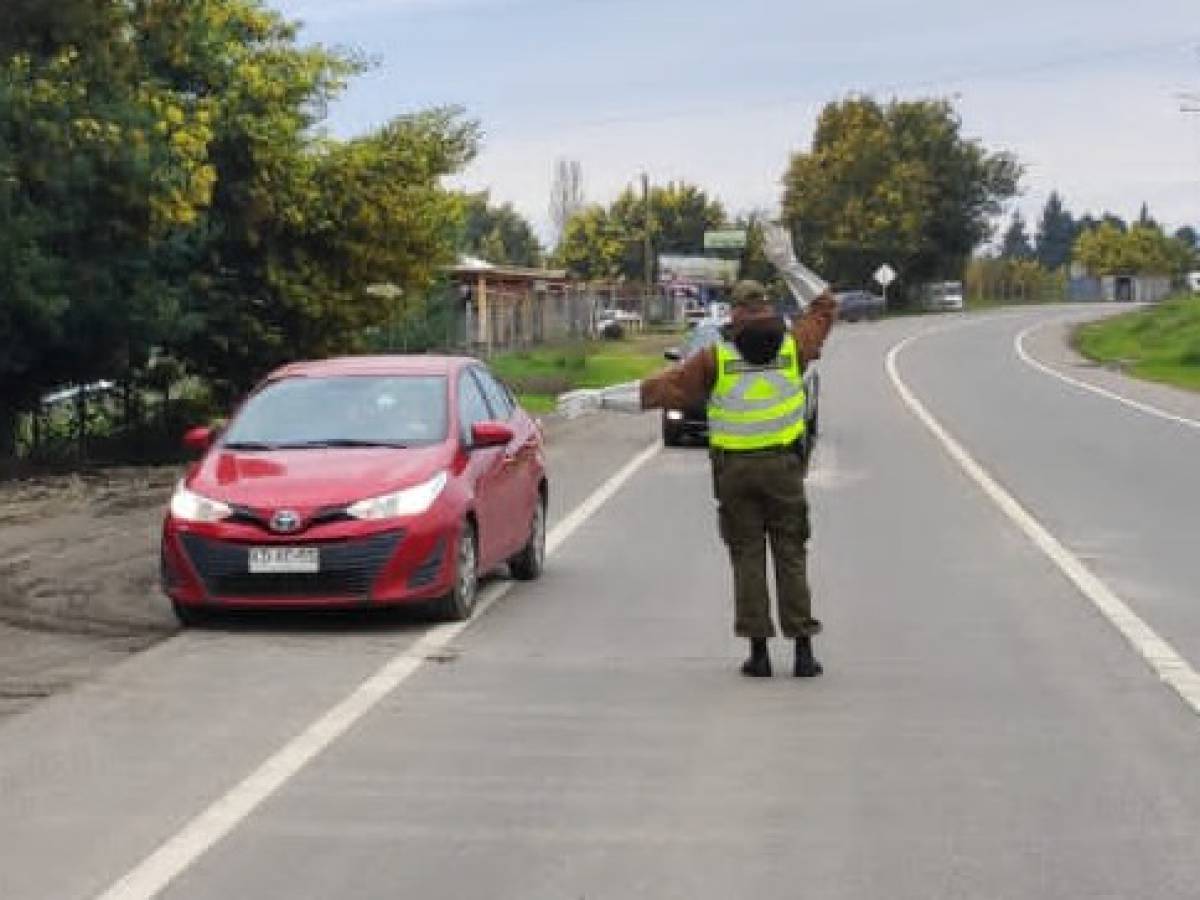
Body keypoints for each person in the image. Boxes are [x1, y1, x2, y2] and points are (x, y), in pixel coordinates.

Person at [638, 280, 837, 677]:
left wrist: (601, 397)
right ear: (767, 308)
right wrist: (789, 265)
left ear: (734, 314)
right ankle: (803, 652)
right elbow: (823, 307)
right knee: (791, 556)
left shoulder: (716, 359)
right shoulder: (793, 349)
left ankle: (759, 654)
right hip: (784, 470)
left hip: (735, 473)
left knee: (747, 557)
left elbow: (669, 388)